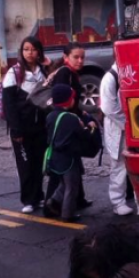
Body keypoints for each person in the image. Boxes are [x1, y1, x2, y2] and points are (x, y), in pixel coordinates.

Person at [3, 37, 50, 214]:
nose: (30, 53)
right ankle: (28, 199)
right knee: (25, 164)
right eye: (26, 49)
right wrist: (15, 130)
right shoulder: (13, 73)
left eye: (33, 49)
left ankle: (38, 196)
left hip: (40, 127)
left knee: (39, 163)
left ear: (39, 51)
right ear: (21, 52)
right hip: (21, 129)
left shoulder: (43, 72)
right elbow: (9, 105)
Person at [100, 64, 139, 217]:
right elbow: (108, 108)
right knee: (119, 166)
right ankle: (118, 202)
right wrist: (128, 124)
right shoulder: (110, 78)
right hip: (119, 128)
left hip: (136, 126)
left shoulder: (137, 71)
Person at [44, 83, 98, 222]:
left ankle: (53, 201)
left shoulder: (50, 116)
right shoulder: (71, 118)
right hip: (69, 158)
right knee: (71, 186)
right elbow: (83, 135)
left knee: (63, 183)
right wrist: (90, 127)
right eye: (72, 98)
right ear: (68, 100)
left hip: (55, 157)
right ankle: (67, 214)